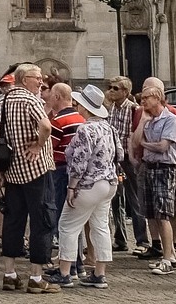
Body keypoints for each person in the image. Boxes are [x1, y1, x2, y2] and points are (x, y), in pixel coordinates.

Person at [0, 63, 56, 294]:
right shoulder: (31, 100)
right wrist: (39, 144)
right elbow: (46, 126)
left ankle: (9, 274)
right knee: (42, 220)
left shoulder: (2, 102)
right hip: (36, 169)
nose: (41, 81)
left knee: (13, 221)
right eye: (37, 77)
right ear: (24, 79)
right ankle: (36, 277)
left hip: (12, 170)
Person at [54, 85, 121, 289]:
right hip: (109, 182)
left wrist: (71, 187)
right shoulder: (109, 127)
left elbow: (79, 161)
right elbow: (120, 154)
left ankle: (65, 272)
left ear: (84, 106)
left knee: (67, 225)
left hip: (89, 184)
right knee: (100, 226)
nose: (76, 106)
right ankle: (99, 273)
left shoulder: (85, 129)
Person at [135, 85, 176, 275]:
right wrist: (142, 122)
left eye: (146, 98)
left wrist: (144, 144)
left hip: (164, 170)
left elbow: (163, 146)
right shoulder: (149, 120)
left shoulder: (170, 120)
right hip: (149, 168)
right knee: (153, 214)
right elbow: (135, 142)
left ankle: (169, 258)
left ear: (157, 98)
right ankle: (167, 253)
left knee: (164, 214)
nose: (143, 101)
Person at [103, 77, 144, 255]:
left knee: (134, 198)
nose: (111, 91)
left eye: (115, 88)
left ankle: (142, 240)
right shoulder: (110, 108)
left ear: (125, 92)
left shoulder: (134, 109)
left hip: (128, 158)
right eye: (110, 87)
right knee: (115, 198)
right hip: (114, 159)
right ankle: (120, 239)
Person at [45, 82, 84, 227]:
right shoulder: (81, 118)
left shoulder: (58, 121)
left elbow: (49, 146)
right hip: (77, 169)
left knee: (59, 206)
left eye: (51, 95)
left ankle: (59, 234)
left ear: (57, 97)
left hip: (60, 168)